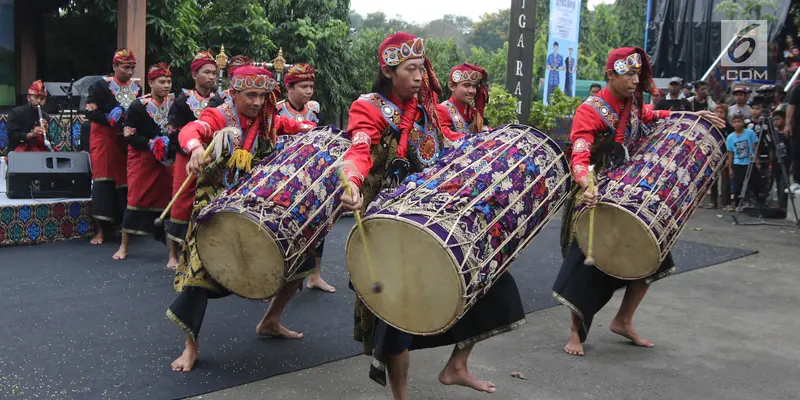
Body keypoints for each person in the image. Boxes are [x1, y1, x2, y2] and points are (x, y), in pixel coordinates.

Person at [339, 32, 526, 399]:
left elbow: (442, 143)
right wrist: (352, 179)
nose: (419, 77)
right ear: (388, 71)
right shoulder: (369, 107)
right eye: (410, 69)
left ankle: (457, 366)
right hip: (391, 225)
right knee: (397, 318)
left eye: (422, 69)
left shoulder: (425, 108)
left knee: (493, 281)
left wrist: (486, 144)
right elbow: (359, 148)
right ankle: (401, 395)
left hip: (436, 215)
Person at [554, 47, 725, 357]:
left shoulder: (633, 103)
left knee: (653, 255)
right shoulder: (589, 110)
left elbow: (650, 115)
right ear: (610, 75)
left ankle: (623, 320)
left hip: (632, 193)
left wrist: (688, 115)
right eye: (629, 74)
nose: (635, 80)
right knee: (584, 267)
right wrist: (586, 184)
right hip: (596, 193)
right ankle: (575, 332)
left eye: (637, 74)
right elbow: (579, 154)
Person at [167, 65, 317, 373]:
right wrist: (195, 148)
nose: (258, 102)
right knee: (197, 279)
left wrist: (316, 133)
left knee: (298, 258)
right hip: (215, 206)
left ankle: (271, 321)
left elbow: (292, 125)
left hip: (258, 204)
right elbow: (191, 130)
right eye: (251, 95)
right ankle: (190, 346)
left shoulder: (268, 120)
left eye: (263, 96)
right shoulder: (220, 115)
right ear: (233, 93)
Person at [276, 63, 335, 293]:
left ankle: (315, 276)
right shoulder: (277, 110)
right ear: (288, 88)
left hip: (310, 174)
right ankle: (277, 279)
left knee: (317, 225)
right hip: (282, 177)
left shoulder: (315, 109)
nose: (309, 91)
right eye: (303, 86)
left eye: (311, 86)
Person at [114, 63, 176, 261]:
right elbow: (127, 133)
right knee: (135, 200)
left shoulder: (174, 103)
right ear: (150, 82)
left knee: (170, 203)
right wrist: (150, 143)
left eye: (169, 81)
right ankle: (123, 246)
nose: (166, 85)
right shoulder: (138, 106)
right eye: (162, 81)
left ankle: (173, 253)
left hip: (166, 161)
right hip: (142, 159)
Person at [166, 50, 218, 269]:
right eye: (207, 72)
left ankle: (204, 251)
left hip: (211, 160)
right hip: (185, 158)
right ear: (195, 75)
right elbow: (174, 134)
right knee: (181, 202)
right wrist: (192, 148)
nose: (211, 77)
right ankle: (172, 254)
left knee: (209, 201)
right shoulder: (181, 102)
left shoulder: (219, 101)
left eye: (214, 73)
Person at [85, 49, 141, 245]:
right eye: (126, 67)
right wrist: (108, 117)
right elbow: (90, 111)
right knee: (104, 179)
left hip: (124, 140)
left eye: (132, 67)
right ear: (115, 67)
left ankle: (123, 227)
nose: (129, 71)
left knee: (125, 181)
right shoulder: (101, 86)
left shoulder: (137, 89)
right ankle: (100, 231)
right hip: (104, 138)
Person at [436, 63, 489, 135]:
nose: (471, 91)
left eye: (474, 86)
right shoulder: (442, 110)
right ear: (452, 86)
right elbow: (446, 136)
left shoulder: (472, 113)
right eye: (466, 85)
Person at [727, 111, 760, 212]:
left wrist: (757, 161)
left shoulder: (750, 133)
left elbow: (755, 146)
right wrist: (730, 168)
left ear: (743, 123)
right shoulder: (730, 137)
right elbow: (730, 153)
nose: (737, 124)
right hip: (738, 163)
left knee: (753, 183)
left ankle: (754, 202)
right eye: (735, 122)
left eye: (739, 121)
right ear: (732, 124)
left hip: (750, 162)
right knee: (738, 185)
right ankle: (738, 204)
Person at [7, 80, 51, 152]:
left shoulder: (45, 116)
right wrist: (31, 134)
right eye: (36, 97)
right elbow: (12, 135)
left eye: (42, 98)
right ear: (28, 98)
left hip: (39, 152)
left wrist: (45, 133)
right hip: (18, 151)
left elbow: (48, 142)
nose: (39, 101)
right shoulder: (16, 113)